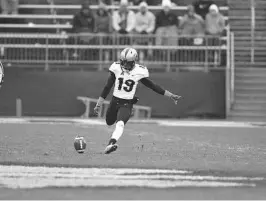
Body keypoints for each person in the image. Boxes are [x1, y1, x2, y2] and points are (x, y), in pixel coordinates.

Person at [94, 48, 181, 154]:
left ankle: (111, 144)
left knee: (120, 123)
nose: (125, 65)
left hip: (127, 104)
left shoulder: (139, 71)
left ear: (134, 61)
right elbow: (107, 87)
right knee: (109, 122)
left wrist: (170, 95)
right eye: (123, 62)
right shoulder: (116, 68)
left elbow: (153, 86)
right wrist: (99, 104)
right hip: (114, 102)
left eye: (128, 63)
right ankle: (111, 143)